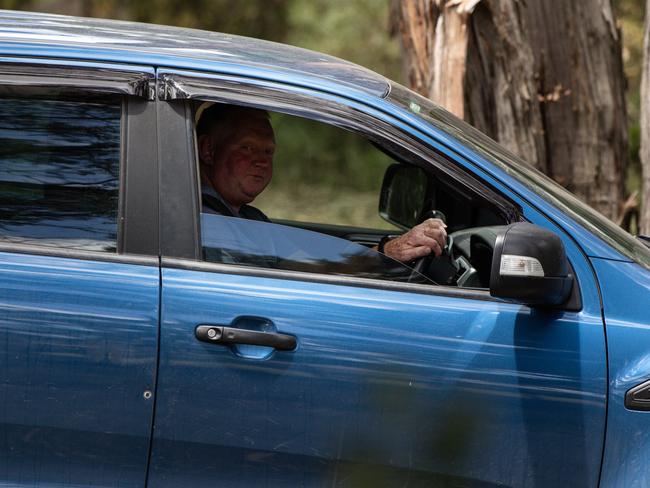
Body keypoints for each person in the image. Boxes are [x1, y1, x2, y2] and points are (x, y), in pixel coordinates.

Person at [196, 103, 447, 264]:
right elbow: (302, 270)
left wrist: (385, 251)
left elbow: (309, 258)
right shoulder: (206, 224)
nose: (261, 161)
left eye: (268, 152)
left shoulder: (248, 218)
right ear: (208, 150)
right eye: (247, 148)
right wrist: (389, 254)